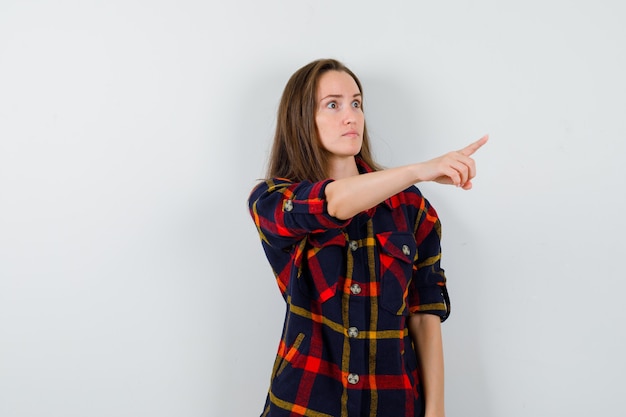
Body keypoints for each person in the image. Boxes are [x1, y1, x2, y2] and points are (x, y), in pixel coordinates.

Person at [248, 58, 487, 417]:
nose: (351, 116)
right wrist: (418, 170)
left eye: (356, 103)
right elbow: (332, 203)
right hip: (305, 404)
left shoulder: (410, 207)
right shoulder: (273, 199)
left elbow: (425, 313)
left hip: (394, 404)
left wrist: (436, 411)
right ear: (301, 119)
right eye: (333, 104)